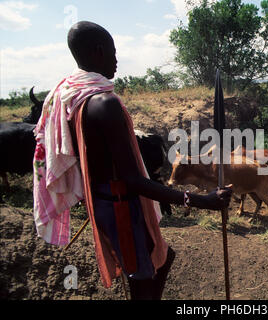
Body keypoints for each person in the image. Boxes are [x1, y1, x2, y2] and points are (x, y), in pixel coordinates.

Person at [32, 21, 232, 300]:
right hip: (121, 208)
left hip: (102, 202)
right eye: (113, 53)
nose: (116, 60)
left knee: (159, 260)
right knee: (144, 278)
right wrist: (200, 201)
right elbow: (133, 179)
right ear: (99, 51)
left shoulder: (69, 95)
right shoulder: (104, 104)